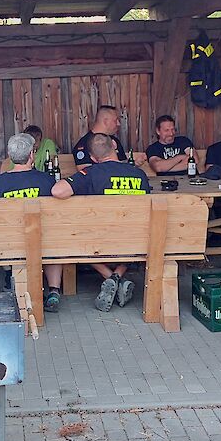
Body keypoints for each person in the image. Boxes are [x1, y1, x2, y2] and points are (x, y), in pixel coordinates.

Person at [52, 133, 150, 311]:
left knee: (74, 237)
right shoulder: (139, 174)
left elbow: (57, 191)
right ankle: (118, 276)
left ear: (91, 157)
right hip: (136, 240)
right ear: (114, 145)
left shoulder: (90, 173)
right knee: (133, 233)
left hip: (98, 241)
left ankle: (109, 277)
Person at [0, 133, 65, 311]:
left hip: (8, 243)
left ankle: (10, 279)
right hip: (41, 241)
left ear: (11, 156)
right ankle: (54, 290)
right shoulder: (46, 180)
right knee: (54, 238)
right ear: (32, 155)